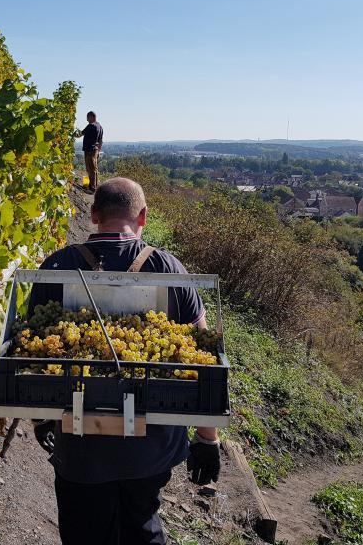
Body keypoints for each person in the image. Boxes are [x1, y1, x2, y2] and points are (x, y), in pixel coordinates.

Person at [28, 177, 220, 545]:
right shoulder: (170, 268)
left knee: (86, 531)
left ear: (93, 214)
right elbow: (204, 362)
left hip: (80, 446)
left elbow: (33, 356)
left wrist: (42, 419)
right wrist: (207, 440)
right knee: (142, 522)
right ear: (143, 216)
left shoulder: (57, 266)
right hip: (152, 450)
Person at [80, 110, 103, 192]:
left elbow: (80, 134)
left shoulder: (91, 126)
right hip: (95, 150)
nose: (87, 120)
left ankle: (92, 187)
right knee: (94, 169)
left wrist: (72, 133)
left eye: (87, 117)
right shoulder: (100, 126)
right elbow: (100, 141)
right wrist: (98, 151)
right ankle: (93, 186)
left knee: (90, 169)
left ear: (91, 117)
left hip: (89, 150)